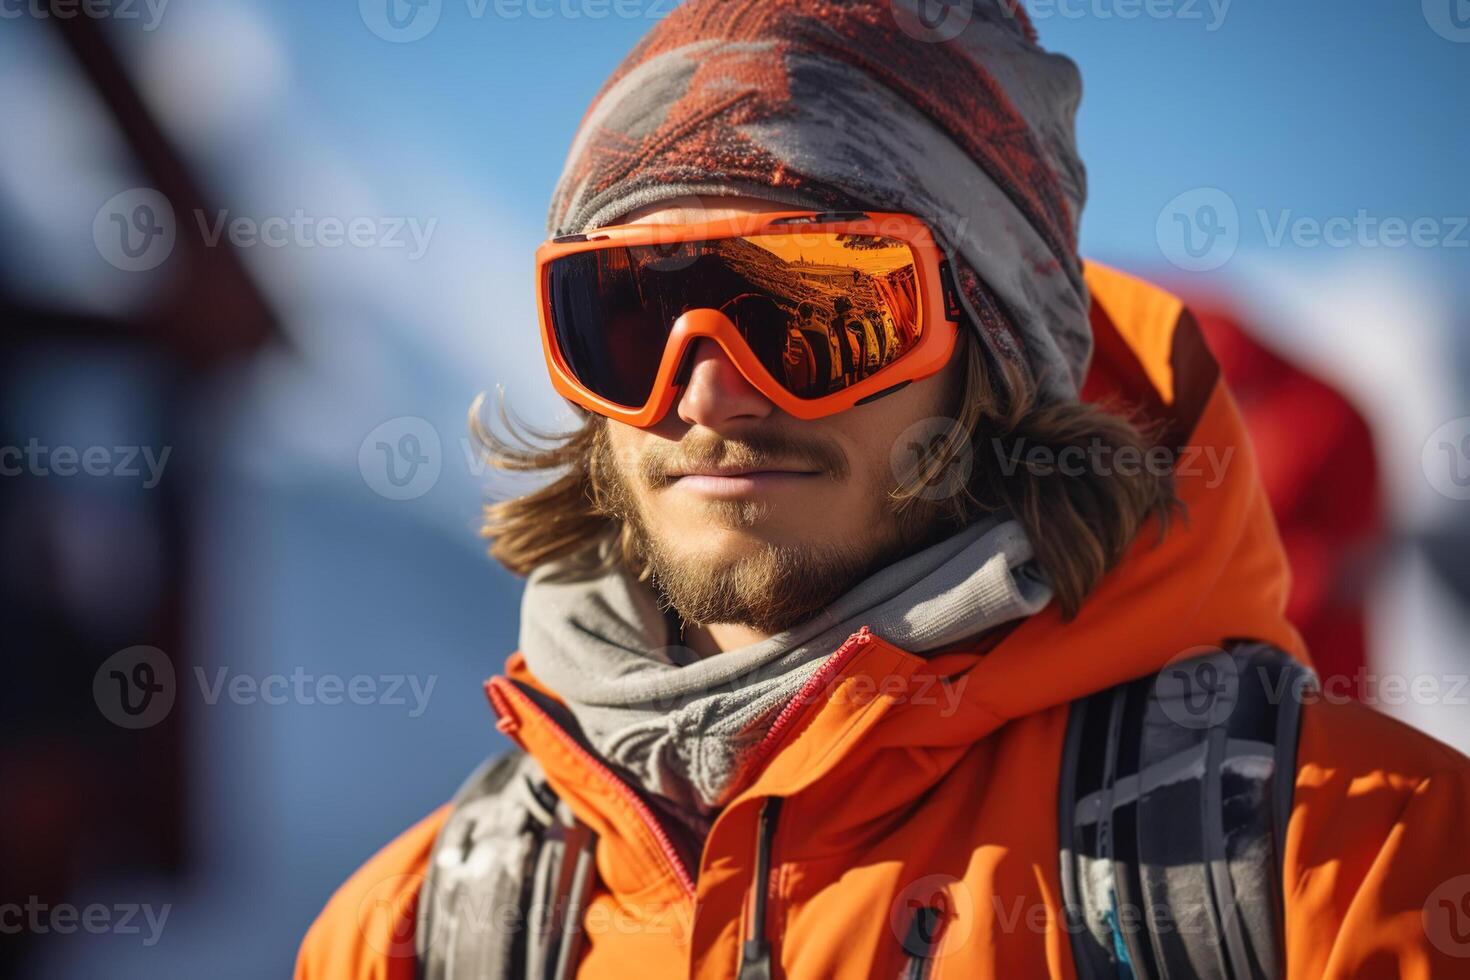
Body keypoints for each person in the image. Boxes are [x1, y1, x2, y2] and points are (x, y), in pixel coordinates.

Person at [297, 3, 1470, 978]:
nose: (709, 392)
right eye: (633, 312)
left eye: (814, 312)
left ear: (995, 354)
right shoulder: (414, 935)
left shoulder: (1354, 866)